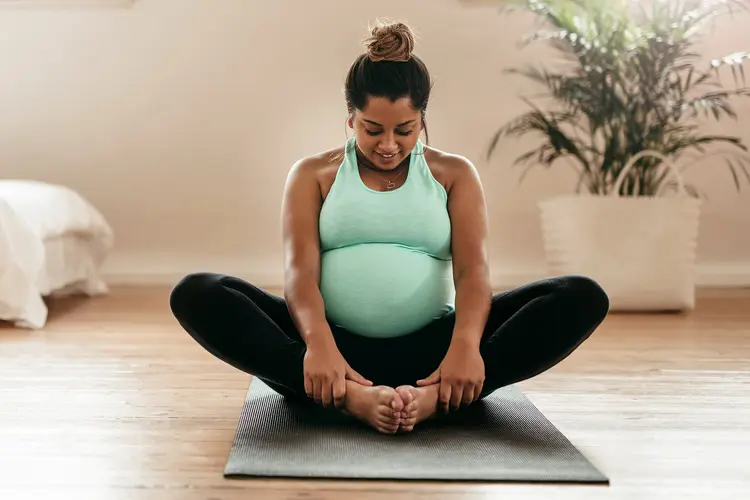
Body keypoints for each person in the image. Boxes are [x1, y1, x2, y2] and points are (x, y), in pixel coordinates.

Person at [169, 20, 609, 435]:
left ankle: (437, 396)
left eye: (405, 130)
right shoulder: (312, 175)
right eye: (372, 129)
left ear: (423, 120)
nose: (388, 145)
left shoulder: (454, 174)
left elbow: (473, 274)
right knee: (198, 291)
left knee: (580, 296)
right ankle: (351, 397)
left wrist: (465, 346)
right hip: (330, 351)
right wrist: (319, 346)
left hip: (432, 351)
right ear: (350, 119)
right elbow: (300, 274)